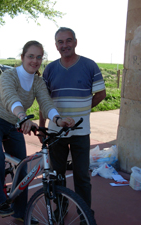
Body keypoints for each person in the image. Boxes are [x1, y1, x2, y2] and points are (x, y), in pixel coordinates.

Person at [0, 40, 75, 224]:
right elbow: (10, 98)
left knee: (22, 167)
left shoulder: (38, 82)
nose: (35, 60)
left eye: (39, 57)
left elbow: (46, 103)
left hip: (15, 125)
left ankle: (20, 213)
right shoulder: (9, 76)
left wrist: (58, 120)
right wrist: (22, 116)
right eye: (31, 56)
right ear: (22, 57)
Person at [39, 27, 106, 217]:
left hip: (80, 132)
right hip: (55, 133)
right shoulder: (50, 69)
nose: (64, 45)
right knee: (57, 175)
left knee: (82, 177)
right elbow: (43, 101)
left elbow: (101, 94)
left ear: (75, 42)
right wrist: (43, 127)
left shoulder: (89, 66)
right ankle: (60, 209)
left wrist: (84, 110)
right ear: (56, 45)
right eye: (60, 42)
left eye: (68, 41)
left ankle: (85, 214)